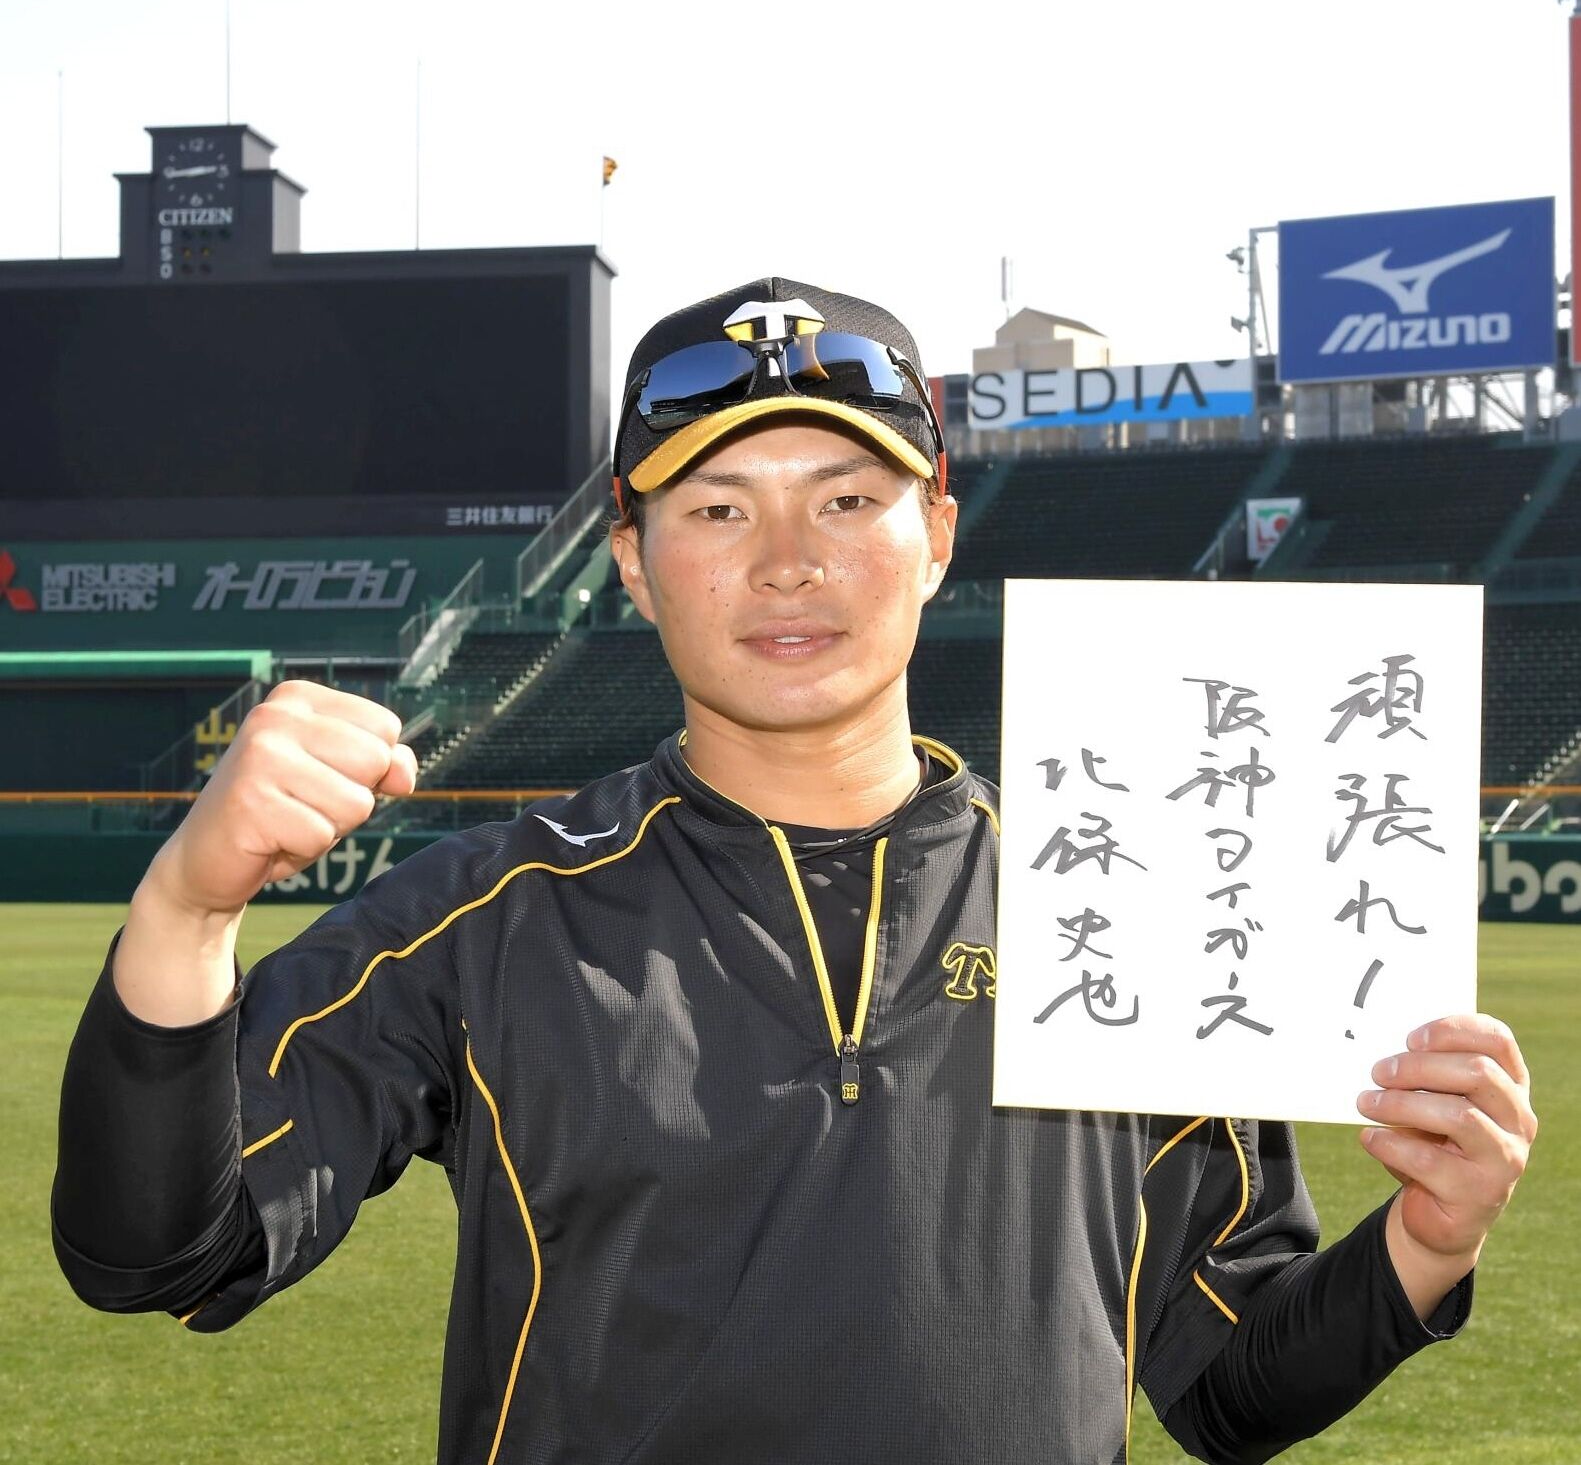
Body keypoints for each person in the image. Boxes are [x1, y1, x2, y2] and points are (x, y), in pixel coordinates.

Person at [53, 277, 1537, 1465]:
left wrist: (1425, 1239)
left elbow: (1231, 1388)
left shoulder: (1125, 895)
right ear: (631, 563)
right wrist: (187, 909)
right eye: (716, 507)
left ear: (936, 534)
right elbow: (160, 1254)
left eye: (844, 497)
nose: (785, 560)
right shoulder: (484, 916)